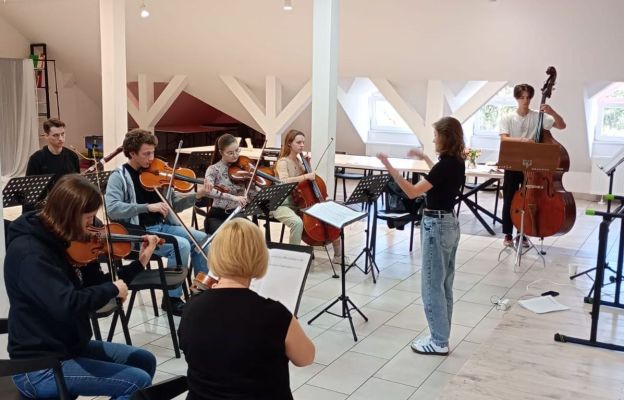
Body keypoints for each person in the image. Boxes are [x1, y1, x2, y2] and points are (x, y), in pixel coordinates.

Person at [4, 174, 158, 399]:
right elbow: (68, 303)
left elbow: (97, 285)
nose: (92, 226)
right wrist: (113, 290)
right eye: (88, 219)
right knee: (136, 382)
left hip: (70, 347)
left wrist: (139, 264)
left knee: (144, 360)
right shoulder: (30, 253)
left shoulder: (67, 240)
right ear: (69, 215)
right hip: (38, 366)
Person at [178, 218, 315, 400]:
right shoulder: (275, 315)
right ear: (260, 256)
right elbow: (306, 358)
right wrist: (291, 320)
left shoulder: (191, 308)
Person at [377, 116, 465, 356]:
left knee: (430, 285)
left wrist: (390, 168)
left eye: (436, 135)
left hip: (437, 227)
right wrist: (425, 158)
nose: (434, 139)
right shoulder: (457, 162)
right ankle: (441, 335)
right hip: (450, 224)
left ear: (446, 137)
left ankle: (438, 341)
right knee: (444, 284)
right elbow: (439, 179)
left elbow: (412, 192)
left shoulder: (445, 165)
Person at [105, 128, 210, 316]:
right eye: (146, 154)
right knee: (182, 245)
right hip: (139, 232)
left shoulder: (156, 173)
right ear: (132, 153)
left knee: (202, 239)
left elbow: (173, 205)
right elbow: (112, 208)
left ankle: (200, 294)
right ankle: (171, 299)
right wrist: (146, 207)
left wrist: (197, 195)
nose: (151, 158)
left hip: (163, 226)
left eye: (153, 152)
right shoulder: (118, 176)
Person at [499, 84, 567, 247]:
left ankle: (522, 233)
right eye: (522, 97)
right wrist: (522, 140)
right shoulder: (507, 117)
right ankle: (508, 234)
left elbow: (562, 125)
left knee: (528, 200)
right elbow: (504, 139)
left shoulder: (538, 116)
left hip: (533, 167)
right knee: (509, 199)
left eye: (528, 97)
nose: (526, 101)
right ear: (516, 98)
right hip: (514, 163)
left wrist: (552, 112)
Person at [271, 129, 349, 264]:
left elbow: (305, 185)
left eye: (303, 142)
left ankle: (338, 256)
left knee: (331, 216)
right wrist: (305, 175)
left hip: (299, 202)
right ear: (289, 143)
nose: (302, 145)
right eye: (298, 142)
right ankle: (293, 258)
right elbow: (283, 181)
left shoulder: (298, 160)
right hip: (282, 204)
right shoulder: (283, 162)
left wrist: (308, 167)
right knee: (297, 223)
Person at [202, 133, 255, 234]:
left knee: (253, 234)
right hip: (218, 215)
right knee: (227, 236)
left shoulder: (242, 167)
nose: (235, 155)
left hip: (237, 214)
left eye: (237, 150)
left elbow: (251, 194)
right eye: (230, 153)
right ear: (221, 152)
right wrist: (234, 198)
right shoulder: (213, 169)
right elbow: (209, 191)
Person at [24, 117, 80, 212]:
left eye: (63, 134)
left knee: (95, 222)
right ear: (46, 136)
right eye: (56, 135)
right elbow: (30, 193)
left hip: (68, 204)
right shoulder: (36, 159)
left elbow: (77, 185)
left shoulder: (72, 156)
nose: (61, 139)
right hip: (46, 207)